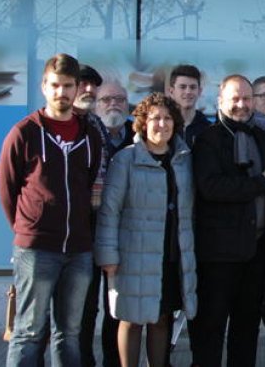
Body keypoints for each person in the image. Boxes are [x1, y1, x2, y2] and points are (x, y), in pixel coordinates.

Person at [0, 53, 104, 367]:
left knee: (69, 332)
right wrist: (28, 229)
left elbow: (87, 184)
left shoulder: (89, 136)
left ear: (76, 88)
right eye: (55, 85)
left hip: (79, 250)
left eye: (68, 86)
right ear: (44, 86)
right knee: (29, 331)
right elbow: (7, 189)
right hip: (37, 249)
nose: (62, 92)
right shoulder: (25, 132)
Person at [95, 92, 196, 367]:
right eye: (154, 118)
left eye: (167, 118)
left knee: (162, 318)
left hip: (170, 255)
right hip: (133, 256)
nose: (162, 124)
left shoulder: (184, 160)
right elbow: (110, 210)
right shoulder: (125, 159)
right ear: (142, 123)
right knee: (131, 319)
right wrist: (108, 255)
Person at [190, 74, 265, 367]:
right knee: (210, 328)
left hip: (255, 252)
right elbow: (211, 187)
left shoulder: (264, 139)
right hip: (218, 254)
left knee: (247, 328)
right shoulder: (207, 139)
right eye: (235, 99)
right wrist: (260, 182)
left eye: (246, 98)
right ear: (220, 101)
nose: (241, 105)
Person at [82, 79, 135, 367]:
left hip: (126, 234)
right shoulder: (87, 135)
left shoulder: (138, 137)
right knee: (86, 306)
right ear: (95, 105)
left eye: (120, 99)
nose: (113, 104)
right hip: (87, 231)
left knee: (117, 307)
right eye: (106, 99)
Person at [166, 64, 210, 148]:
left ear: (199, 91)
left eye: (193, 87)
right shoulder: (164, 126)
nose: (188, 92)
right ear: (171, 92)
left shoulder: (209, 129)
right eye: (182, 87)